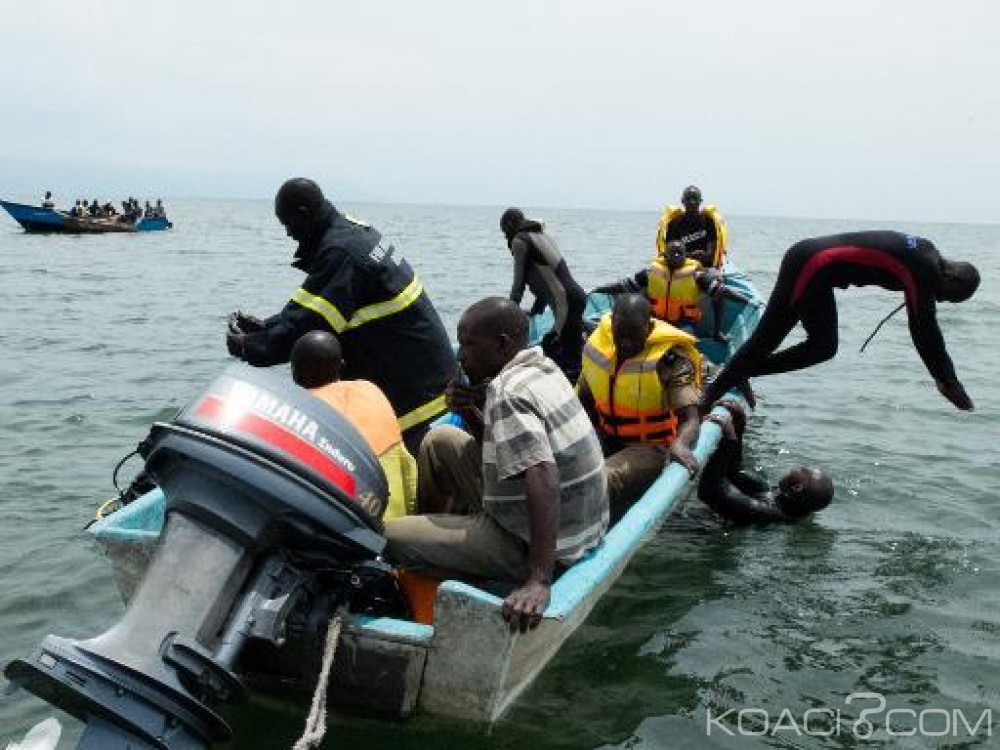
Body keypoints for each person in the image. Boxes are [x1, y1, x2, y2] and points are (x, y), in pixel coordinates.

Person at [385, 298, 608, 632]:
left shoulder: (508, 392)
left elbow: (542, 472)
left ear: (502, 345)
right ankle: (440, 539)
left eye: (469, 345)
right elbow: (504, 449)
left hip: (539, 544)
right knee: (440, 440)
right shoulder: (542, 367)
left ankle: (444, 559)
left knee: (389, 536)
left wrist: (539, 579)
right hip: (577, 525)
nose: (460, 357)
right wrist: (469, 410)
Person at [226, 177, 456, 453]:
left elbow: (310, 325)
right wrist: (266, 326)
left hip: (418, 404)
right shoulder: (354, 232)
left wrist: (250, 347)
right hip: (432, 382)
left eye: (288, 224)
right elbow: (311, 308)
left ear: (304, 214)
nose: (288, 233)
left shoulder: (342, 252)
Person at [702, 231, 981, 411]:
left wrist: (945, 377)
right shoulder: (925, 269)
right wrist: (949, 382)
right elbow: (924, 329)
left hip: (821, 273)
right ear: (952, 278)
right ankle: (707, 398)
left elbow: (924, 322)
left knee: (823, 347)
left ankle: (743, 372)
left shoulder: (928, 256)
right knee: (767, 338)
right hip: (810, 263)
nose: (940, 300)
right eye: (948, 297)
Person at [576, 294, 702, 519]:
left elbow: (690, 418)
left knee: (600, 480)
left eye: (634, 335)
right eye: (620, 334)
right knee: (560, 471)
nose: (626, 342)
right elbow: (583, 400)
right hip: (606, 435)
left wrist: (681, 444)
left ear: (648, 326)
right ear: (611, 325)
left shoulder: (670, 360)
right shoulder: (598, 347)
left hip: (651, 446)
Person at [290, 331, 417, 521]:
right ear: (342, 366)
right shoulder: (369, 389)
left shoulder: (299, 410)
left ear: (295, 376)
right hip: (402, 516)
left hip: (359, 530)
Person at [699, 400, 834, 523]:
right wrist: (739, 425)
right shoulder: (778, 496)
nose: (797, 468)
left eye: (803, 470)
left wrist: (729, 440)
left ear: (797, 487)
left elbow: (709, 493)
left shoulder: (767, 512)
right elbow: (734, 472)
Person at [593, 240, 751, 343]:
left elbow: (722, 291)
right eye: (672, 252)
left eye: (679, 253)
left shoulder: (696, 275)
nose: (676, 255)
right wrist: (599, 289)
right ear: (665, 255)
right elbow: (623, 286)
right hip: (654, 321)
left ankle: (709, 344)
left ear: (685, 256)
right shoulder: (650, 273)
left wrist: (747, 300)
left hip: (684, 324)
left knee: (680, 342)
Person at [500, 208, 588, 379]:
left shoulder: (519, 241)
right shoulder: (540, 235)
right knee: (568, 351)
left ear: (510, 224)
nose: (505, 236)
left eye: (504, 230)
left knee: (557, 352)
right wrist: (537, 308)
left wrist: (508, 316)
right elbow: (545, 279)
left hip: (566, 304)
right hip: (576, 297)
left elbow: (518, 284)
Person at [657, 185, 728, 269]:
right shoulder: (674, 223)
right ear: (683, 201)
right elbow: (671, 254)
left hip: (704, 267)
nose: (692, 202)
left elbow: (710, 255)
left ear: (700, 201)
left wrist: (686, 255)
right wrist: (693, 255)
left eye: (695, 198)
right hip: (681, 267)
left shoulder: (709, 221)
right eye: (688, 199)